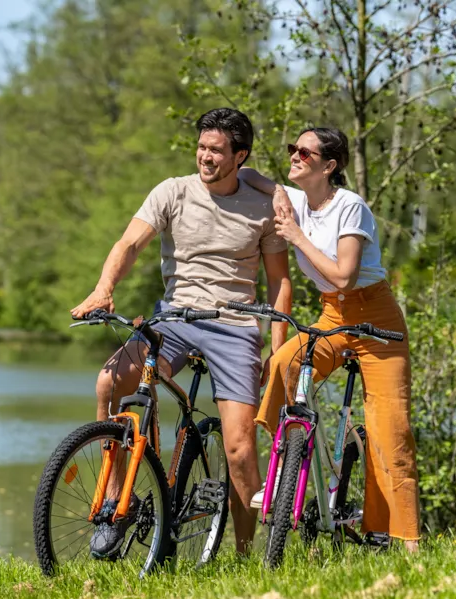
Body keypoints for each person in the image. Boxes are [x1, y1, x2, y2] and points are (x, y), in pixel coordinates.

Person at [71, 108, 292, 558]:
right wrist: (104, 288)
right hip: (175, 318)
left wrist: (278, 350)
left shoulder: (263, 207)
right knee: (111, 381)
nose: (205, 157)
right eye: (201, 147)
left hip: (235, 326)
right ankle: (116, 502)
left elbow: (279, 282)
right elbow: (129, 244)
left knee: (240, 450)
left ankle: (245, 555)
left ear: (240, 156)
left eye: (216, 150)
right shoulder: (172, 191)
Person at [238, 127, 421, 552]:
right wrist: (278, 194)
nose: (294, 156)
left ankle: (407, 542)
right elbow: (246, 173)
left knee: (391, 430)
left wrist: (296, 236)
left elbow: (344, 277)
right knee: (284, 364)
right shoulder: (298, 199)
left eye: (305, 152)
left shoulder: (350, 206)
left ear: (329, 166)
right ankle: (282, 473)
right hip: (332, 315)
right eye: (293, 149)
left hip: (376, 319)